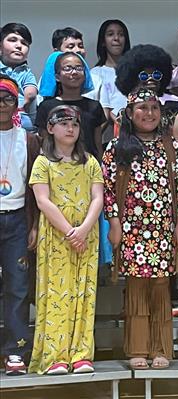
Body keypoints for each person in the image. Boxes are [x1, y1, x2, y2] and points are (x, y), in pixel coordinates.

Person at [102, 88, 178, 369]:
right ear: (129, 113)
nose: (149, 113)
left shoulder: (170, 146)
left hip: (163, 229)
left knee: (161, 287)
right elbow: (107, 189)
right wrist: (114, 222)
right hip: (131, 230)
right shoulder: (117, 147)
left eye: (154, 107)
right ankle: (137, 350)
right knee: (137, 287)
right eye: (142, 107)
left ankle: (161, 349)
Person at [28, 105, 103, 375]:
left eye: (74, 123)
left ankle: (81, 354)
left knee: (84, 293)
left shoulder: (90, 162)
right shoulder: (43, 162)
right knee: (57, 294)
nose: (70, 128)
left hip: (86, 235)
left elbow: (98, 198)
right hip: (57, 237)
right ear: (50, 128)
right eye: (63, 123)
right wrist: (70, 232)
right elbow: (42, 200)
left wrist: (82, 229)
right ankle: (55, 356)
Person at [0, 75, 40, 375]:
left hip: (16, 218)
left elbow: (36, 188)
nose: (2, 104)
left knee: (17, 286)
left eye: (8, 98)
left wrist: (35, 225)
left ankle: (15, 350)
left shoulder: (28, 138)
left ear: (16, 103)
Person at [36, 51, 106, 159]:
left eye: (78, 68)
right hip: (56, 167)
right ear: (57, 77)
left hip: (88, 166)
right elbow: (45, 144)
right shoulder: (46, 107)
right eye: (68, 68)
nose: (74, 72)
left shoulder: (94, 106)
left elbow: (97, 145)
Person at [85, 19, 130, 144]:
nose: (116, 38)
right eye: (110, 34)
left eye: (121, 34)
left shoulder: (135, 71)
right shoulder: (95, 73)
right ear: (103, 42)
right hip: (107, 135)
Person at [0, 23, 37, 131]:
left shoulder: (26, 72)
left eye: (24, 43)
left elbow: (30, 94)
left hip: (20, 117)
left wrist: (17, 107)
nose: (19, 46)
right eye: (12, 40)